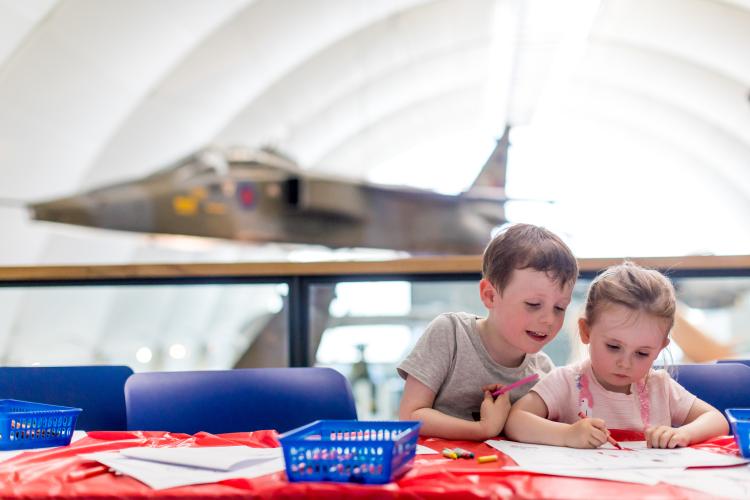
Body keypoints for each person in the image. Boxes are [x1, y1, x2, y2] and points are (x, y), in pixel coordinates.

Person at [505, 262, 729, 449]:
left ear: (660, 348)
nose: (625, 363)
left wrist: (683, 434)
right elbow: (516, 421)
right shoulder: (566, 381)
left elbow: (716, 420)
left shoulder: (660, 387)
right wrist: (567, 434)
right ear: (586, 331)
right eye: (613, 347)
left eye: (642, 353)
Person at [397, 223, 578, 440]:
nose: (549, 319)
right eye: (533, 304)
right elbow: (410, 416)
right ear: (490, 296)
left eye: (560, 308)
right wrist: (482, 429)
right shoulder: (450, 334)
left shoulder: (543, 372)